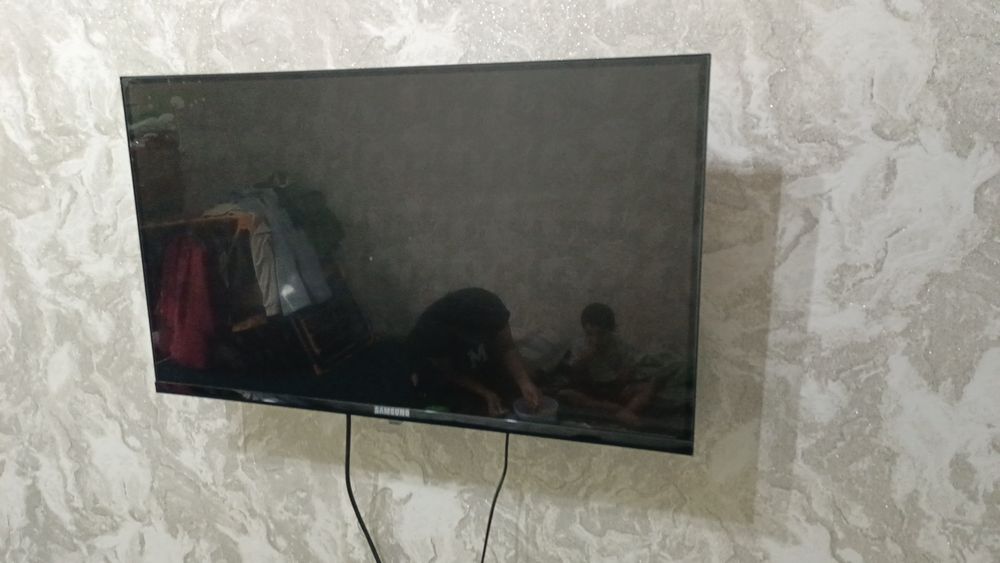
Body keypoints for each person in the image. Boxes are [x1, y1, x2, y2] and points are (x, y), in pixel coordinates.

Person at [407, 288, 543, 416]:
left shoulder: (492, 308)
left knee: (525, 390)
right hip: (447, 377)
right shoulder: (432, 330)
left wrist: (524, 381)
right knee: (470, 408)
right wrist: (484, 393)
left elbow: (507, 347)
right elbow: (449, 372)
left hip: (481, 366)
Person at [557, 303, 659, 427]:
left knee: (649, 386)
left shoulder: (617, 344)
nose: (596, 339)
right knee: (565, 394)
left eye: (601, 334)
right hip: (588, 387)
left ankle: (626, 411)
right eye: (590, 334)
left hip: (612, 386)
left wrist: (625, 374)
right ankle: (611, 408)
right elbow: (574, 371)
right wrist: (588, 355)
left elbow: (629, 366)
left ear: (610, 331)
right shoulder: (580, 344)